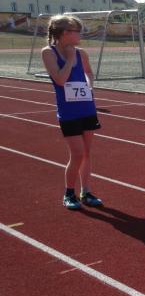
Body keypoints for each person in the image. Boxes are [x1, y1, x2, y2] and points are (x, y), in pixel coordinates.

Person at [41, 15, 103, 210]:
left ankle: (86, 191)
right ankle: (69, 192)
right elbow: (60, 79)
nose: (81, 35)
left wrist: (89, 86)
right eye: (78, 31)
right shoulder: (48, 53)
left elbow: (89, 73)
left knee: (86, 153)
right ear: (65, 33)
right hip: (68, 111)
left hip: (87, 108)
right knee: (77, 153)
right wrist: (69, 58)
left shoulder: (81, 53)